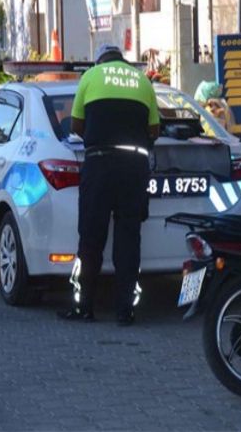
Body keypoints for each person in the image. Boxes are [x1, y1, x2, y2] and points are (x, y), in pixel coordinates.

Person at [59, 44, 160, 325]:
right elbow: (154, 129)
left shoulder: (90, 77)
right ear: (122, 60)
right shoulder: (142, 80)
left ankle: (84, 307)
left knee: (91, 238)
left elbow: (77, 126)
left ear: (100, 60)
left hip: (100, 165)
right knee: (129, 239)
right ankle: (125, 311)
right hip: (134, 168)